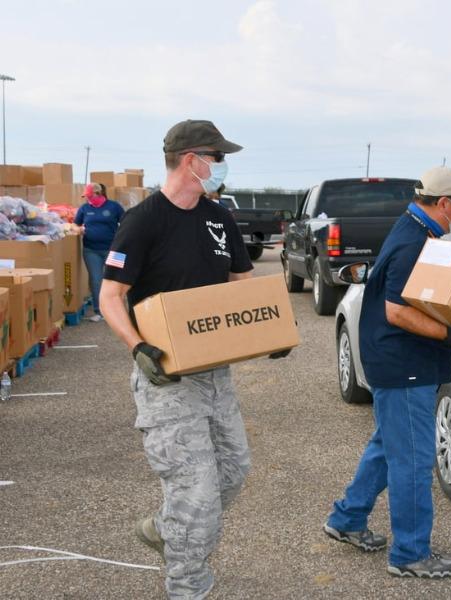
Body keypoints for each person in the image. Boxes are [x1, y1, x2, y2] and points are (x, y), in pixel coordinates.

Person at [99, 119, 290, 599]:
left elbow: (240, 285)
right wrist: (137, 347)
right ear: (192, 160)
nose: (221, 165)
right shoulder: (144, 221)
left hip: (214, 374)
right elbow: (110, 295)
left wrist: (267, 330)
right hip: (165, 378)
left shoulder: (218, 216)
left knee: (233, 470)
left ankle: (169, 530)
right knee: (197, 492)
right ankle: (188, 585)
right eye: (216, 157)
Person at [324, 166, 451, 578]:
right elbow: (397, 310)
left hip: (403, 364)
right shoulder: (411, 242)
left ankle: (347, 519)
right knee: (415, 460)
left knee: (388, 447)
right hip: (405, 368)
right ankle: (410, 554)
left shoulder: (418, 233)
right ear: (443, 203)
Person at [74, 182, 124, 322]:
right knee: (96, 281)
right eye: (86, 197)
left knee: (117, 280)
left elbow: (126, 222)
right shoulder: (84, 208)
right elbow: (75, 224)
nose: (88, 199)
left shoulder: (114, 206)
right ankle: (99, 311)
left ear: (98, 194)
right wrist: (78, 230)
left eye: (90, 196)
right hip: (91, 250)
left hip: (114, 249)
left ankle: (118, 310)